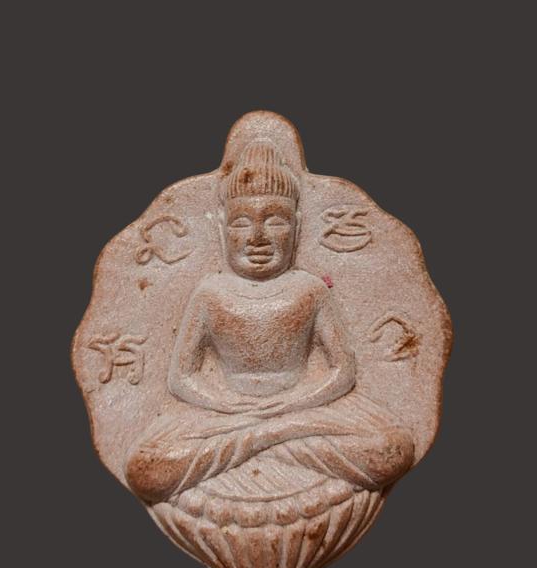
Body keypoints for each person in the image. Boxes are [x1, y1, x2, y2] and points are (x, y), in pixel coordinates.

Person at [126, 140, 413, 505]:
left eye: (275, 221)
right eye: (241, 223)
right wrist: (229, 405)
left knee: (391, 449)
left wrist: (291, 405)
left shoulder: (310, 290)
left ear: (297, 226)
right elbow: (181, 377)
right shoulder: (209, 293)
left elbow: (342, 370)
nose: (258, 238)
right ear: (221, 229)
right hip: (225, 414)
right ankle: (272, 438)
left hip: (301, 410)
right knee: (146, 469)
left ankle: (264, 438)